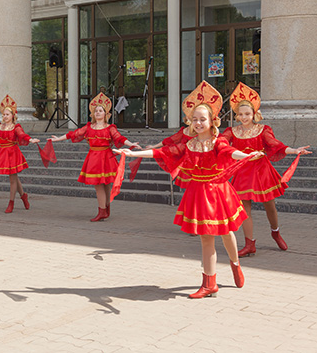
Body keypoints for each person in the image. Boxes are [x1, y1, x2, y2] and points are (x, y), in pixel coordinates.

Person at [115, 81, 262, 299]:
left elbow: (230, 152)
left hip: (217, 191)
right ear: (191, 123)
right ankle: (209, 282)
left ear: (212, 121)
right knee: (206, 237)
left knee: (226, 232)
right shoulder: (189, 145)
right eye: (195, 119)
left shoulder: (218, 142)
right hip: (198, 192)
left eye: (203, 119)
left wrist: (247, 155)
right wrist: (132, 154)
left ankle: (234, 263)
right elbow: (163, 153)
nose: (199, 123)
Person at [222, 82, 311, 256]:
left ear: (254, 114)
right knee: (244, 207)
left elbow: (275, 145)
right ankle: (249, 244)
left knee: (270, 206)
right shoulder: (232, 131)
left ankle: (275, 232)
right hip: (242, 171)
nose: (244, 117)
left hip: (261, 171)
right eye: (240, 114)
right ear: (237, 115)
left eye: (247, 113)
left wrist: (294, 150)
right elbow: (221, 142)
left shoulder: (262, 129)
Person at [49, 92, 141, 221]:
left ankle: (104, 209)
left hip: (106, 156)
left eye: (100, 110)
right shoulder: (89, 127)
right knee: (98, 184)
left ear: (106, 114)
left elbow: (119, 138)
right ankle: (104, 209)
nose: (98, 112)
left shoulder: (110, 128)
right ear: (93, 113)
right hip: (94, 158)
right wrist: (59, 138)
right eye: (96, 111)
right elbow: (74, 134)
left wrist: (131, 143)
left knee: (106, 184)